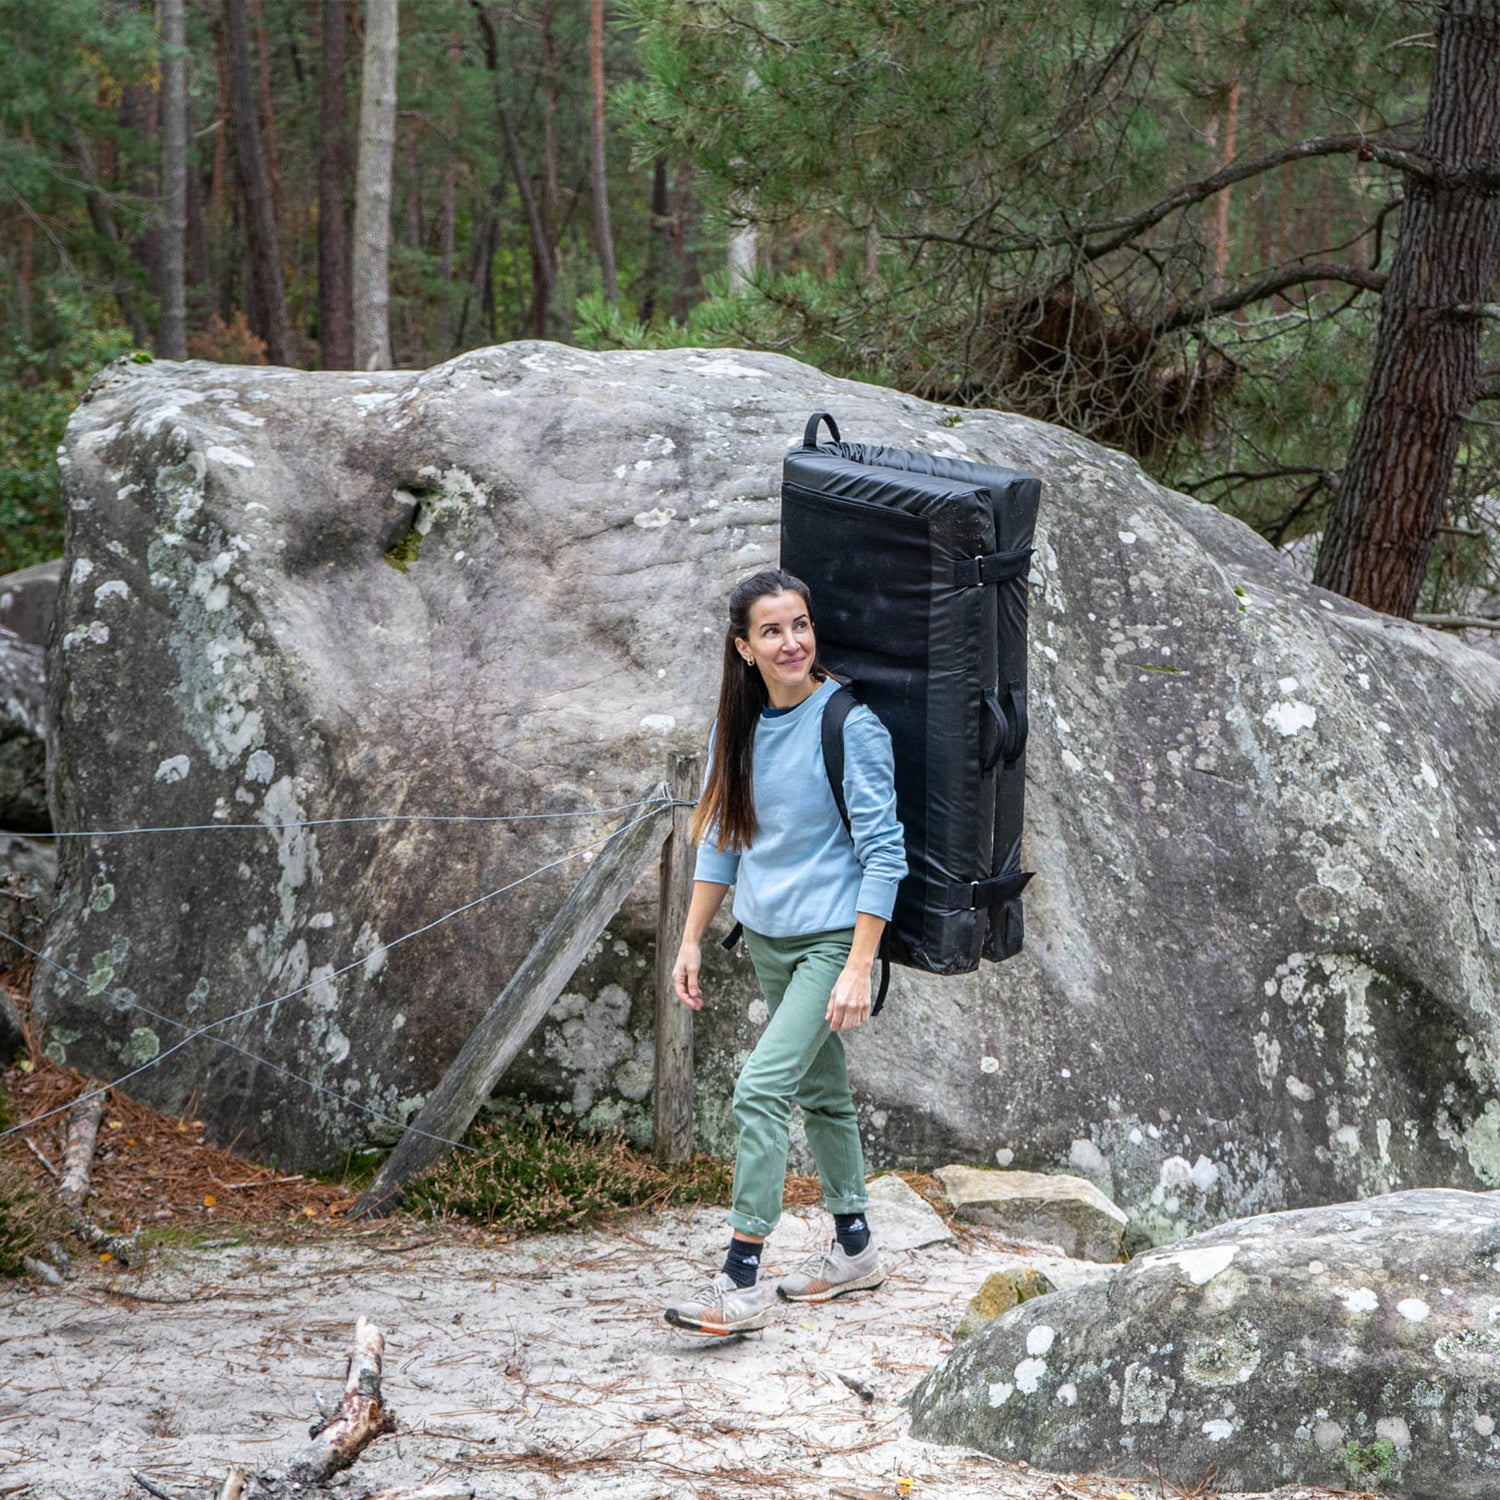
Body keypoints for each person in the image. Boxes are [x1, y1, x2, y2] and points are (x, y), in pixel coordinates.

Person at [663, 567, 907, 1335]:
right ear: (744, 648)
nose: (791, 641)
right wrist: (692, 939)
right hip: (766, 938)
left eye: (799, 625)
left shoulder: (850, 726)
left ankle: (740, 1281)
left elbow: (885, 853)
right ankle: (856, 1248)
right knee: (824, 1094)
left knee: (759, 1090)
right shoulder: (734, 730)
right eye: (772, 630)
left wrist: (860, 963)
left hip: (833, 940)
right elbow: (723, 841)